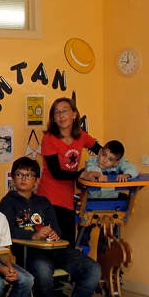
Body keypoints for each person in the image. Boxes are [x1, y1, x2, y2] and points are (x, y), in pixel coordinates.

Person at [0, 156, 102, 297]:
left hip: (53, 249)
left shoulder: (44, 202)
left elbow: (57, 229)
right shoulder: (8, 202)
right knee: (42, 271)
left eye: (29, 175)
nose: (23, 179)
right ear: (13, 179)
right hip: (29, 253)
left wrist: (53, 234)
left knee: (93, 269)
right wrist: (34, 236)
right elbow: (7, 232)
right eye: (19, 175)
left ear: (36, 180)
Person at [38, 97, 101, 245]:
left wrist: (121, 166)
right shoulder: (49, 139)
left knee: (68, 244)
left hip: (67, 198)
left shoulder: (81, 136)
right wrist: (82, 174)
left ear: (74, 114)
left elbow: (103, 152)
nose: (61, 116)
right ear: (53, 118)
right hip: (49, 197)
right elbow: (56, 173)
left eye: (64, 111)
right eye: (56, 113)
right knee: (53, 243)